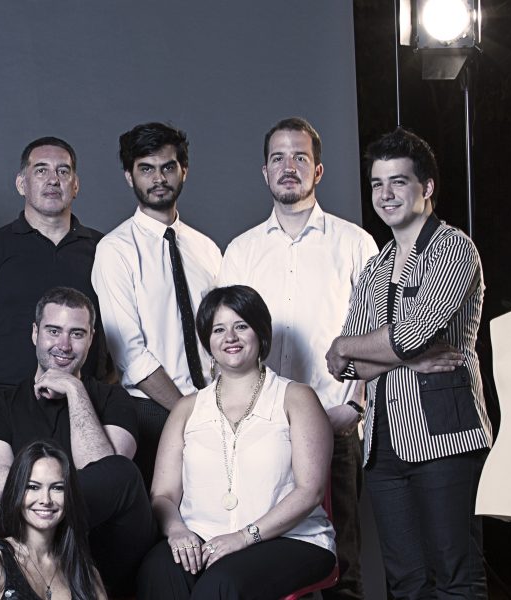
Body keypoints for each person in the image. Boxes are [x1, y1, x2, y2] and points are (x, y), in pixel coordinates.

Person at [326, 127, 492, 598]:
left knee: (455, 576)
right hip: (382, 445)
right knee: (405, 582)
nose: (386, 194)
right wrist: (370, 351)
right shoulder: (376, 265)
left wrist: (354, 345)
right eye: (377, 184)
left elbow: (412, 333)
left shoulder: (453, 248)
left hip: (446, 438)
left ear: (427, 187)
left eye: (398, 182)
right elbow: (345, 367)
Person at [216, 117, 376, 598]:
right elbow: (225, 341)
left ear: (318, 170)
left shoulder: (355, 244)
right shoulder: (241, 251)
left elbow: (375, 334)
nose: (289, 167)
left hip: (333, 422)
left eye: (300, 157)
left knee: (342, 564)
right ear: (264, 171)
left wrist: (355, 407)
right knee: (267, 562)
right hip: (259, 430)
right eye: (278, 158)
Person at [138, 285, 335, 599]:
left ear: (260, 333)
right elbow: (163, 494)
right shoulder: (186, 409)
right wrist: (177, 531)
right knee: (158, 571)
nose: (230, 337)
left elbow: (310, 491)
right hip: (202, 538)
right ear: (208, 341)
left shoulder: (296, 398)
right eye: (219, 329)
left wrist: (243, 537)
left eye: (241, 326)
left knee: (220, 584)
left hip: (289, 539)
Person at [0, 287, 154, 595]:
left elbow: (107, 474)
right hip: (31, 552)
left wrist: (74, 389)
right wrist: (50, 506)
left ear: (91, 338)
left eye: (77, 334)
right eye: (53, 331)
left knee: (122, 471)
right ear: (35, 333)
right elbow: (1, 486)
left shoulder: (114, 399)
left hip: (105, 550)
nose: (64, 345)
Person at [92, 122, 221, 488]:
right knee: (158, 513)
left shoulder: (207, 249)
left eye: (168, 167)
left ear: (184, 171)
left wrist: (214, 408)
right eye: (146, 169)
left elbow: (224, 334)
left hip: (212, 407)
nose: (159, 178)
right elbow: (130, 354)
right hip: (150, 409)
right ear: (129, 176)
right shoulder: (115, 251)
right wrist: (186, 412)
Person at [0, 137, 108, 393]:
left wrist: (94, 397)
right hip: (7, 407)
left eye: (63, 171)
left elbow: (124, 346)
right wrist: (6, 400)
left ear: (75, 185)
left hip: (85, 405)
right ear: (21, 184)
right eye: (41, 170)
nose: (53, 180)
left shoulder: (104, 250)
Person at [0, 440, 107, 600]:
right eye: (33, 487)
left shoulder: (87, 573)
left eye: (57, 488)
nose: (46, 500)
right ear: (17, 491)